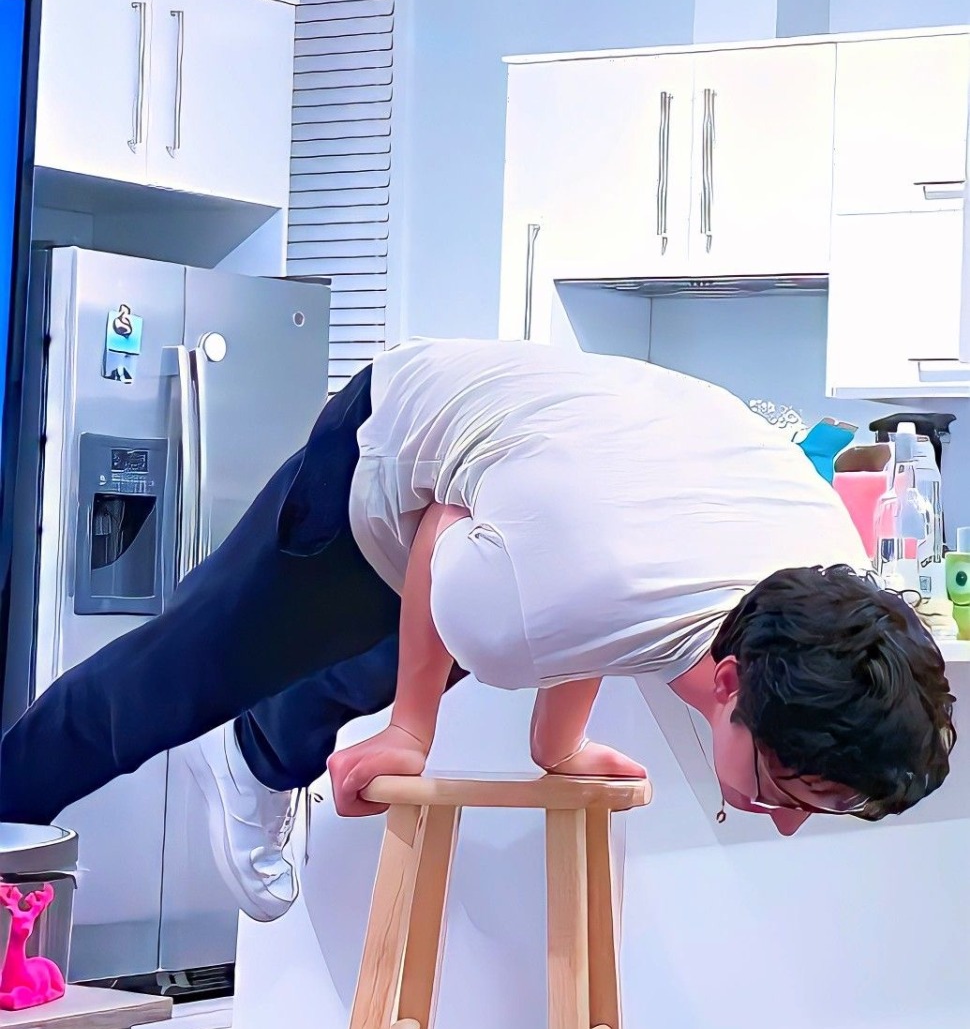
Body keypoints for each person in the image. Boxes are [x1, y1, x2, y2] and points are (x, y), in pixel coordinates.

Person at [0, 340, 955, 921]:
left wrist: (557, 745)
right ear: (736, 681)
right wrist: (411, 728)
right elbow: (449, 526)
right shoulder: (537, 604)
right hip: (396, 444)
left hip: (569, 467)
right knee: (171, 684)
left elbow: (603, 611)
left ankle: (257, 752)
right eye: (789, 791)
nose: (784, 821)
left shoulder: (831, 582)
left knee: (428, 641)